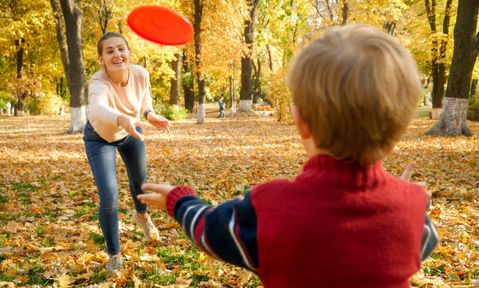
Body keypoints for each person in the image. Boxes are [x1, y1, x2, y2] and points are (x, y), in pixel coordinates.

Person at [138, 24, 438, 287]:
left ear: (301, 120)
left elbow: (209, 230)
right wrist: (398, 196)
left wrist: (179, 201)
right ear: (399, 124)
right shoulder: (412, 209)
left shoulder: (270, 207)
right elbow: (408, 242)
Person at [83, 31, 170, 273]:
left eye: (121, 49)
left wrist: (149, 115)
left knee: (140, 182)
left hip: (130, 131)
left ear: (129, 53)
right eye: (109, 51)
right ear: (101, 58)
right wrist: (122, 118)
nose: (117, 54)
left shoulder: (141, 73)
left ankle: (141, 217)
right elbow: (99, 109)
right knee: (109, 196)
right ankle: (114, 253)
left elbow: (144, 99)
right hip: (100, 137)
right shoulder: (98, 81)